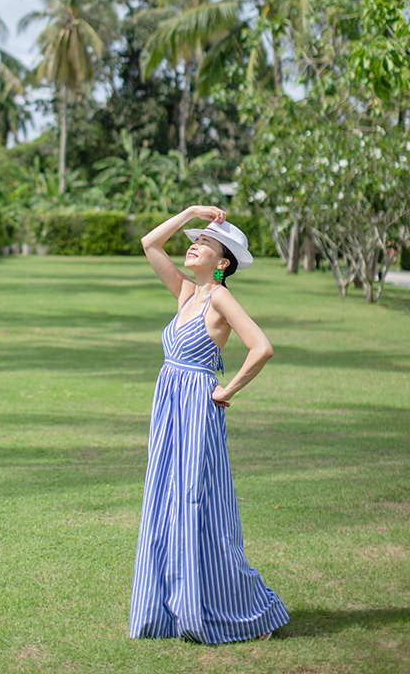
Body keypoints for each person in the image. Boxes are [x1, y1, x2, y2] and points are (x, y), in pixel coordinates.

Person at [129, 204, 290, 645]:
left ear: (222, 263)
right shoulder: (185, 293)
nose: (193, 244)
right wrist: (191, 213)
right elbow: (150, 243)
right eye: (193, 240)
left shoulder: (219, 297)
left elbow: (261, 347)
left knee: (199, 506)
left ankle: (248, 610)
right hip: (169, 409)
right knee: (167, 503)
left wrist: (226, 391)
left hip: (196, 410)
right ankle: (175, 608)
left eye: (204, 243)